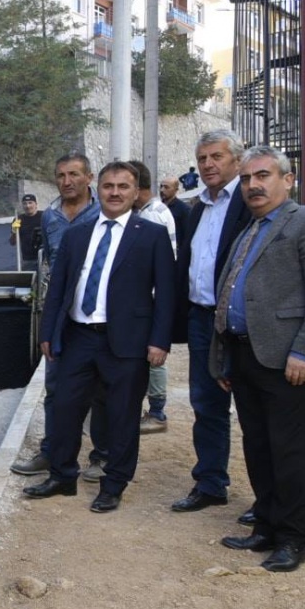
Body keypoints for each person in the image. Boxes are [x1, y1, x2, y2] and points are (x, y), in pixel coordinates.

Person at [211, 146, 305, 572]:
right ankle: (266, 524)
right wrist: (225, 358)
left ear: (288, 179)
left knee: (290, 452)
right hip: (246, 356)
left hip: (289, 360)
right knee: (258, 448)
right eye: (248, 178)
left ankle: (292, 538)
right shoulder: (250, 228)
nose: (254, 185)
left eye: (263, 175)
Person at [24, 162, 175, 512]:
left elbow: (166, 293)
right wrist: (48, 331)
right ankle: (62, 476)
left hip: (127, 343)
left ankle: (114, 483)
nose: (115, 192)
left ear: (136, 192)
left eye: (124, 186)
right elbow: (59, 286)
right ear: (99, 188)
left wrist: (159, 341)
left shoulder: (150, 235)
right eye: (109, 186)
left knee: (122, 416)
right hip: (79, 337)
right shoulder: (79, 234)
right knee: (64, 408)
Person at [168, 129, 253, 516]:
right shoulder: (199, 206)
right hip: (203, 320)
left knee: (255, 409)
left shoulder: (251, 200)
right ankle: (210, 483)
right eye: (202, 159)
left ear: (237, 159)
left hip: (242, 324)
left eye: (216, 157)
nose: (208, 165)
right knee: (207, 405)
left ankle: (267, 498)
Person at [10, 153, 109, 480]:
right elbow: (52, 265)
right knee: (54, 387)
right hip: (62, 315)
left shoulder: (104, 212)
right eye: (61, 175)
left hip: (97, 313)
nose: (67, 181)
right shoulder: (50, 216)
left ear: (89, 177)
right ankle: (52, 451)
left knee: (100, 390)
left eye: (74, 175)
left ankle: (101, 456)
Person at [128, 161, 177, 433]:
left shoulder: (152, 217)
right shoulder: (154, 210)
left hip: (151, 297)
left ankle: (157, 413)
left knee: (153, 357)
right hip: (150, 296)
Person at [10, 193, 43, 268]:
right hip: (27, 260)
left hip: (45, 258)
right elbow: (12, 242)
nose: (28, 206)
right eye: (25, 204)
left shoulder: (44, 216)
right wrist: (14, 231)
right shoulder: (18, 219)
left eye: (30, 203)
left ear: (36, 204)